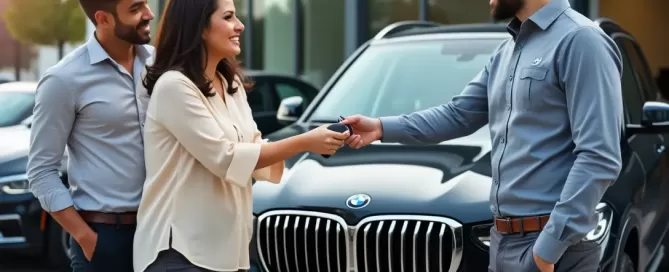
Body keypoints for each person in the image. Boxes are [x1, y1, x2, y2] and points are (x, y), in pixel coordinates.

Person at [342, 0, 623, 271]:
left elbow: (599, 157)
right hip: (502, 241)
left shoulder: (582, 41)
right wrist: (380, 127)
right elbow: (457, 115)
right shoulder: (506, 51)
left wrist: (546, 251)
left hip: (552, 248)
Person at [132, 0, 349, 271]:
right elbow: (227, 159)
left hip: (228, 252)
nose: (240, 25)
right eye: (228, 17)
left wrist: (326, 140)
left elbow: (253, 147)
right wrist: (305, 141)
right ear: (199, 27)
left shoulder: (230, 83)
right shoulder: (174, 87)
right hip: (181, 252)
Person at [26, 0, 155, 271]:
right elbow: (41, 172)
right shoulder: (64, 79)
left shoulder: (160, 66)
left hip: (161, 230)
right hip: (105, 237)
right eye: (135, 9)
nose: (149, 14)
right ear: (103, 19)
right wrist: (85, 237)